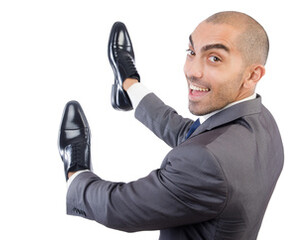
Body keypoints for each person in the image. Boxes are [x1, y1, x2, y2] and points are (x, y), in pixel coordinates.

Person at [58, 11, 282, 239]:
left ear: (253, 75)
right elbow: (196, 137)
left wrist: (77, 175)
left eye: (215, 58)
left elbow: (119, 207)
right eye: (191, 52)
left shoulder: (207, 163)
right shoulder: (264, 122)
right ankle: (127, 85)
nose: (192, 71)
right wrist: (135, 89)